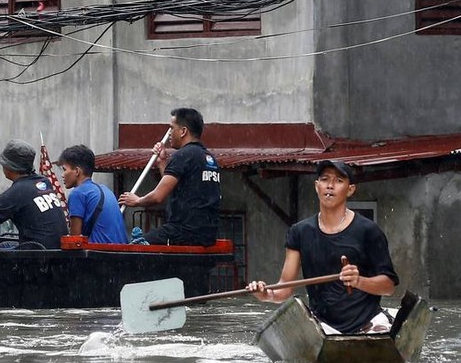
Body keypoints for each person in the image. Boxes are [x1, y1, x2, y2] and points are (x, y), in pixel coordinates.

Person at [247, 159, 399, 334]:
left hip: (367, 323)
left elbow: (388, 287)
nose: (330, 186)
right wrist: (266, 294)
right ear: (316, 186)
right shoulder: (299, 232)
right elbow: (285, 288)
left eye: (339, 180)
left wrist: (359, 281)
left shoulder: (369, 231)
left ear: (350, 189)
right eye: (325, 179)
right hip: (321, 325)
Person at [118, 107, 220, 246]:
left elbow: (158, 196)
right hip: (206, 235)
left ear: (183, 131)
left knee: (137, 247)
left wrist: (137, 201)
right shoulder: (208, 158)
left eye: (172, 128)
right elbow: (177, 187)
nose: (169, 133)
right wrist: (162, 162)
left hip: (182, 231)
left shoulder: (183, 156)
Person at [56, 144, 127, 244]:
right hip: (122, 253)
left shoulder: (78, 193)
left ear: (77, 171)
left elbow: (74, 240)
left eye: (64, 170)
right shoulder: (106, 190)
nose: (62, 175)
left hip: (100, 255)